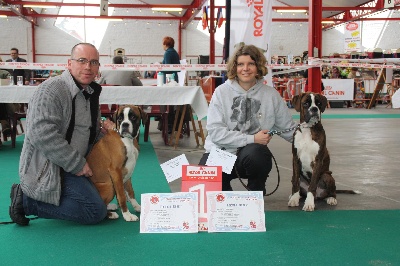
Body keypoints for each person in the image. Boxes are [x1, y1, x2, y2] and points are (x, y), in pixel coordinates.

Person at [9, 43, 108, 226]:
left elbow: (86, 131)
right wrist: (76, 163)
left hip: (74, 163)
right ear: (69, 63)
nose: (88, 67)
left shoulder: (90, 92)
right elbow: (41, 134)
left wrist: (101, 132)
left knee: (103, 197)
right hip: (53, 166)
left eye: (93, 62)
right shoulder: (51, 90)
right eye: (82, 61)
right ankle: (25, 200)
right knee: (95, 211)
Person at [198, 44, 297, 194]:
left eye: (251, 64)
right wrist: (252, 138)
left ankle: (255, 196)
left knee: (258, 154)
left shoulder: (271, 95)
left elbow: (288, 129)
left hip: (250, 156)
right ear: (234, 67)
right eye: (240, 64)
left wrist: (312, 138)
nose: (246, 68)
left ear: (258, 67)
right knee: (207, 183)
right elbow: (216, 133)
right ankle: (224, 195)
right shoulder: (221, 92)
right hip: (221, 153)